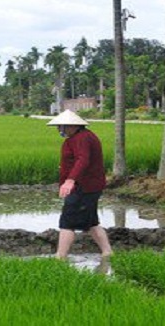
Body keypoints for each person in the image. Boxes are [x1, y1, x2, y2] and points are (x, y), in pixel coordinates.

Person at [46, 110, 112, 260]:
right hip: (90, 186)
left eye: (61, 126)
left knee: (67, 221)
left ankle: (60, 256)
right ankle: (107, 252)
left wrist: (70, 180)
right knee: (91, 222)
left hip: (84, 187)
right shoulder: (82, 136)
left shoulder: (81, 138)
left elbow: (83, 160)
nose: (59, 130)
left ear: (72, 126)